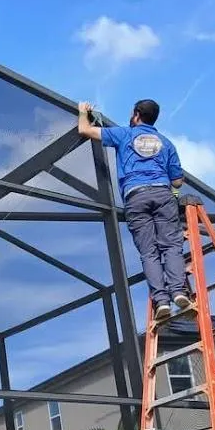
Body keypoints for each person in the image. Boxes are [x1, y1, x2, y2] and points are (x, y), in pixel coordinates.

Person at [77, 99, 190, 321]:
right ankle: (178, 292)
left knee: (149, 252)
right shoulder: (166, 143)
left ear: (137, 114)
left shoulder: (124, 134)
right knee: (171, 246)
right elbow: (177, 181)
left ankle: (161, 302)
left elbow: (85, 130)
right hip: (163, 195)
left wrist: (83, 112)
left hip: (135, 196)